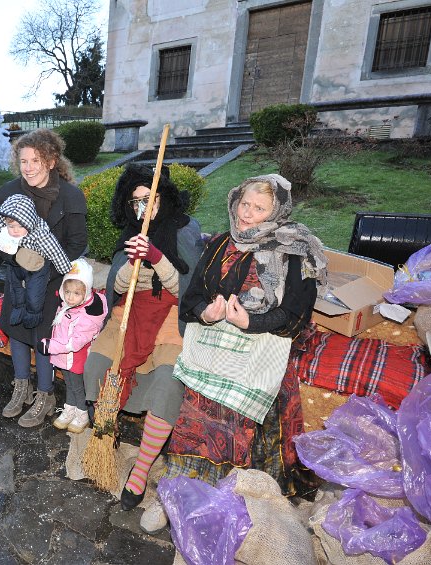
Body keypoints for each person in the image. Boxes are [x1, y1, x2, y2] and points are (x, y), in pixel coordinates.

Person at [147, 173, 327, 532]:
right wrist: (204, 312)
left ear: (278, 211)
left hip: (260, 352)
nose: (247, 213)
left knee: (239, 429)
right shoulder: (218, 244)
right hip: (214, 354)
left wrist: (251, 323)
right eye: (244, 203)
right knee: (193, 421)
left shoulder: (294, 251)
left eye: (259, 208)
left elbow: (295, 315)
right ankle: (175, 493)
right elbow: (193, 295)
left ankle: (221, 500)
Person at [81, 164, 204, 520]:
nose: (142, 208)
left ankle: (140, 470)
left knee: (167, 383)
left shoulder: (185, 229)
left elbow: (190, 292)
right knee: (97, 366)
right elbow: (116, 290)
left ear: (162, 198)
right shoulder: (129, 233)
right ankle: (106, 437)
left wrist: (157, 259)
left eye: (148, 199)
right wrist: (126, 270)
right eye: (135, 202)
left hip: (169, 320)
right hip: (129, 316)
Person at [0, 129, 87, 428]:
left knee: (43, 336)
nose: (29, 166)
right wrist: (17, 259)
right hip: (18, 276)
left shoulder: (69, 196)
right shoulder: (10, 193)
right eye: (23, 161)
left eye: (36, 160)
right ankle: (21, 386)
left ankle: (45, 396)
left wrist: (48, 266)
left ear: (51, 161)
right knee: (17, 326)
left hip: (53, 280)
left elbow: (77, 243)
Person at [0, 193, 73, 329]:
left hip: (36, 267)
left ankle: (33, 314)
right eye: (11, 227)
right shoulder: (4, 226)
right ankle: (19, 308)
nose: (15, 231)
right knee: (15, 288)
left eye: (20, 227)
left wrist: (65, 268)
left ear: (28, 221)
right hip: (16, 265)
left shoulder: (40, 233)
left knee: (34, 294)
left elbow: (54, 250)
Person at [37, 258, 107, 433]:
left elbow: (75, 342)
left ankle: (82, 414)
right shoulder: (66, 306)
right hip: (63, 357)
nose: (70, 297)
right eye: (67, 291)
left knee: (77, 386)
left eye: (76, 293)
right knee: (69, 384)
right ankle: (70, 410)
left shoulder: (88, 315)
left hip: (76, 357)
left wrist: (50, 347)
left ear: (86, 291)